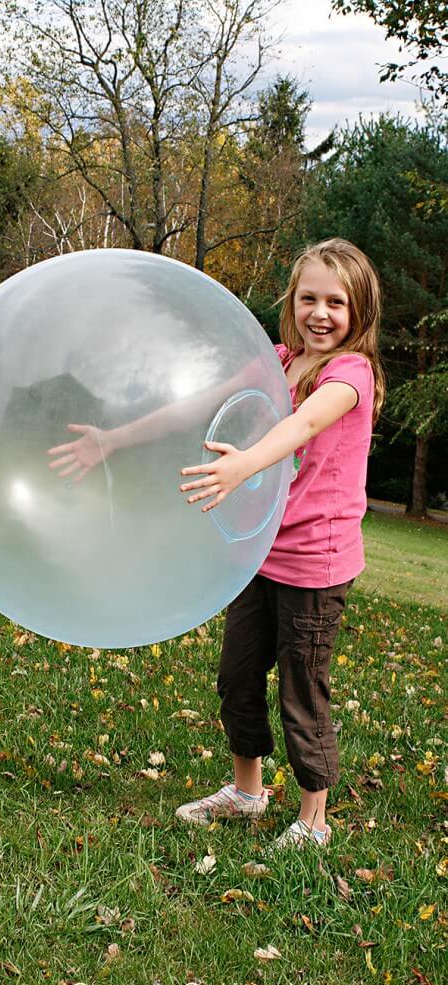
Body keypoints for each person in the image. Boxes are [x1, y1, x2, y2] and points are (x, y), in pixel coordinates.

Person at [174, 238, 385, 849]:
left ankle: (313, 820)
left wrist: (243, 466)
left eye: (337, 303)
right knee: (237, 676)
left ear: (359, 313)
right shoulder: (275, 358)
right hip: (259, 552)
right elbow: (196, 403)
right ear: (291, 302)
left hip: (316, 564)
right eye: (309, 298)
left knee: (302, 688)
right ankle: (247, 792)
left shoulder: (352, 374)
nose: (321, 313)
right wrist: (113, 436)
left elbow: (304, 424)